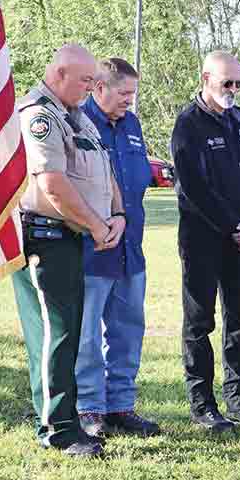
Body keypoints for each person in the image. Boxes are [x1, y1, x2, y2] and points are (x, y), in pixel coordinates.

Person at [12, 44, 126, 457]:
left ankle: (66, 420)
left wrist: (117, 214)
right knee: (54, 337)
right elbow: (52, 184)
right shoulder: (39, 115)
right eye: (85, 80)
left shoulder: (76, 116)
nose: (93, 87)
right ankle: (57, 430)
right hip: (44, 238)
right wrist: (97, 224)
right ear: (59, 74)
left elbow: (105, 169)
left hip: (71, 238)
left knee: (69, 335)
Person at [170, 51, 240, 432]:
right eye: (225, 83)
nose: (233, 90)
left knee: (239, 324)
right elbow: (195, 187)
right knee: (200, 324)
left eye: (238, 84)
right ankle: (203, 406)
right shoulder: (188, 125)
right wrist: (234, 223)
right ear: (205, 78)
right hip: (203, 240)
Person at [75, 58, 160, 438]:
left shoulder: (132, 124)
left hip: (131, 250)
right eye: (124, 93)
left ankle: (121, 406)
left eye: (133, 93)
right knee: (88, 335)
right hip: (93, 248)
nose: (130, 100)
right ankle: (90, 408)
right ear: (99, 88)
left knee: (128, 330)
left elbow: (139, 178)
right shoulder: (76, 122)